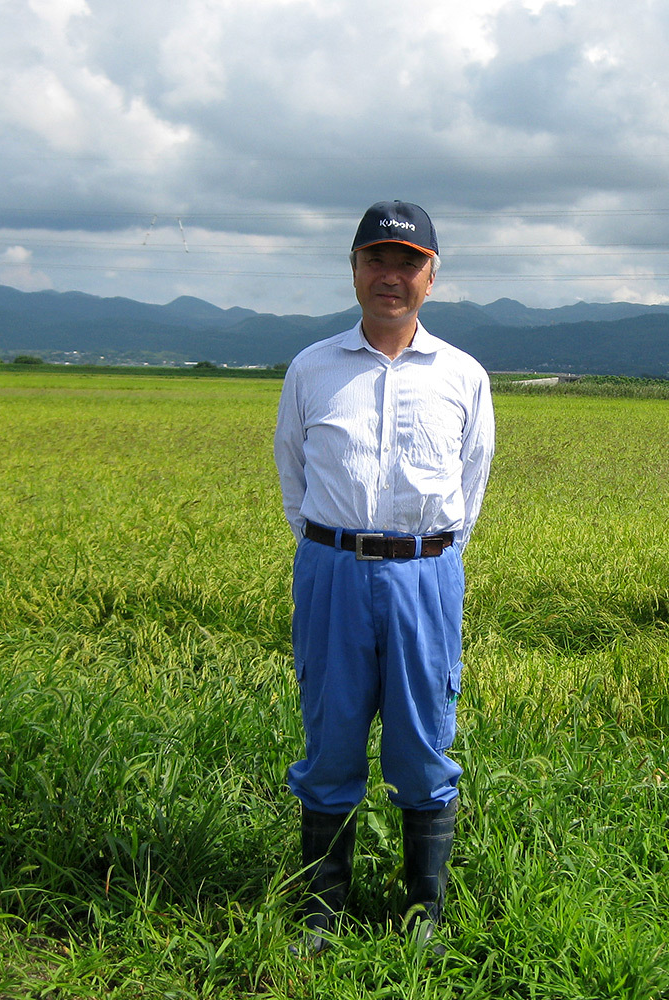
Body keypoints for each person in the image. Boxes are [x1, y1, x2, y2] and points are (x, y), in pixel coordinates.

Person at [273, 200, 495, 956]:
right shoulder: (311, 368)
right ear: (354, 269)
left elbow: (472, 482)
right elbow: (293, 479)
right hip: (330, 571)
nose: (390, 276)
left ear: (433, 276)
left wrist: (422, 558)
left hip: (426, 576)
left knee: (423, 741)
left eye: (408, 262)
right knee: (330, 738)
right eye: (376, 259)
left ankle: (422, 912)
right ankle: (319, 913)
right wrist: (333, 549)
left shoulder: (462, 374)